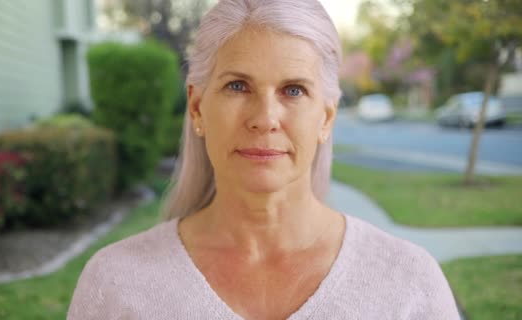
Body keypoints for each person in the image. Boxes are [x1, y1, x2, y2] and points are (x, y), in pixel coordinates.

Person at [67, 0, 460, 319]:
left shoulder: (409, 284)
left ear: (326, 117)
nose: (264, 119)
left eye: (293, 90)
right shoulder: (116, 285)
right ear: (198, 107)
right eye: (238, 86)